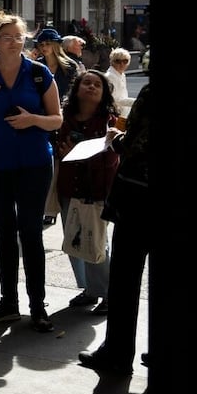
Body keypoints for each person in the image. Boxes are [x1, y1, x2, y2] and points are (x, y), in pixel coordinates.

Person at [0, 9, 62, 332]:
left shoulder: (39, 73)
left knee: (30, 233)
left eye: (19, 36)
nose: (14, 42)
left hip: (34, 165)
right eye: (7, 36)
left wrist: (32, 120)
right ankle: (8, 302)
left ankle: (38, 305)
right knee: (3, 234)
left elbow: (57, 119)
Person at [78, 80, 151, 378]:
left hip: (139, 198)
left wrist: (116, 138)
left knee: (125, 280)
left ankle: (118, 354)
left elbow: (136, 144)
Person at [53, 69, 120, 313]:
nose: (91, 87)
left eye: (97, 85)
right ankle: (91, 290)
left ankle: (109, 293)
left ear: (103, 94)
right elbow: (60, 151)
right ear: (77, 89)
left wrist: (81, 151)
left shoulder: (110, 121)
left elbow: (113, 157)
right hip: (69, 187)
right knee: (75, 239)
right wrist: (67, 152)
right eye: (86, 83)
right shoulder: (66, 117)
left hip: (97, 190)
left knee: (97, 243)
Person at [33, 27, 81, 227]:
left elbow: (75, 94)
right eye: (41, 44)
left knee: (59, 164)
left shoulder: (70, 66)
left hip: (64, 119)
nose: (44, 48)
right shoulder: (36, 67)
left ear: (56, 45)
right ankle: (47, 207)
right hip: (41, 119)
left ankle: (53, 207)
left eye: (47, 43)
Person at [106, 47, 133, 114]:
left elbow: (123, 96)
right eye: (118, 61)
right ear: (112, 62)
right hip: (115, 114)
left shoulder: (122, 74)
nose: (122, 64)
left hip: (123, 113)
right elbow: (114, 100)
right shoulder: (110, 76)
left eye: (125, 61)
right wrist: (135, 102)